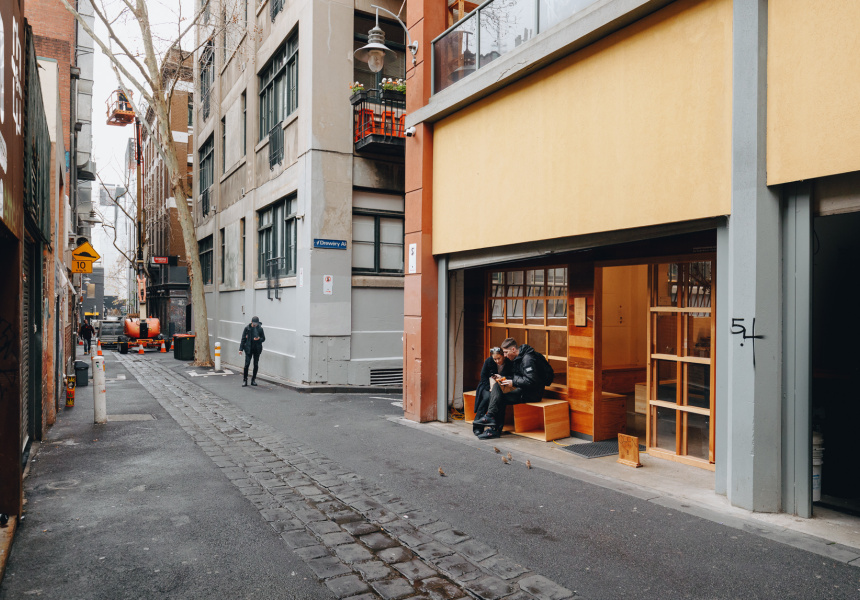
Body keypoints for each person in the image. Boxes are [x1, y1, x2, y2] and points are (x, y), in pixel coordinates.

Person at [474, 337, 547, 440]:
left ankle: (493, 429)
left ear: (513, 349)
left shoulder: (527, 359)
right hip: (522, 389)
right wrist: (505, 379)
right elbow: (518, 376)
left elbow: (531, 381)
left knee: (499, 398)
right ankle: (490, 418)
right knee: (497, 388)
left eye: (505, 352)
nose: (504, 355)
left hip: (531, 394)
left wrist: (513, 382)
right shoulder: (517, 358)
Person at [472, 347, 512, 436]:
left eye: (499, 358)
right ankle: (478, 427)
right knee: (487, 398)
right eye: (495, 359)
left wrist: (502, 377)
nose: (497, 361)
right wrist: (490, 388)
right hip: (486, 386)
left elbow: (511, 376)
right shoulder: (488, 361)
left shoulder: (509, 362)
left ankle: (496, 428)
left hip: (502, 387)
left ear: (503, 356)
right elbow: (483, 376)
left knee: (499, 399)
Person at [239, 316, 266, 387]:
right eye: (254, 323)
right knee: (246, 365)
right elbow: (243, 339)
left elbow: (263, 338)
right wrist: (241, 349)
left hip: (257, 349)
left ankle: (253, 380)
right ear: (251, 321)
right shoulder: (247, 328)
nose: (255, 325)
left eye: (256, 323)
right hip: (248, 348)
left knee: (256, 365)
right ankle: (245, 380)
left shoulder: (260, 329)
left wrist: (259, 339)